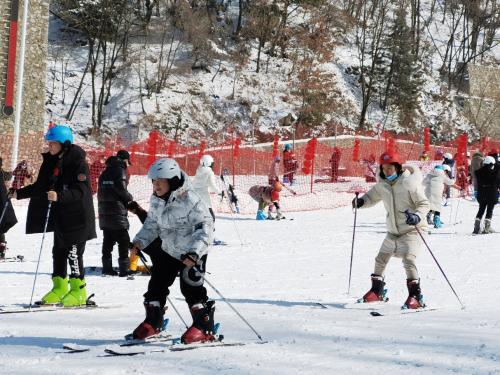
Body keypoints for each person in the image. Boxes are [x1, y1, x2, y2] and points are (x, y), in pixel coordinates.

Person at [129, 158, 215, 343]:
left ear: (173, 180)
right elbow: (152, 223)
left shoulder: (191, 199)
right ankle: (153, 322)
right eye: (153, 181)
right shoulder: (157, 200)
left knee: (190, 287)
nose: (156, 185)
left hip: (191, 253)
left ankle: (203, 326)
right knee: (156, 285)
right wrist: (139, 242)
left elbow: (205, 226)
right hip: (169, 250)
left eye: (160, 181)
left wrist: (195, 252)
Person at [10, 125, 96, 306]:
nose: (49, 147)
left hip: (78, 216)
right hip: (61, 216)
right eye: (49, 143)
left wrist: (60, 195)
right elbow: (41, 186)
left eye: (53, 143)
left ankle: (78, 290)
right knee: (58, 251)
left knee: (73, 253)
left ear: (64, 144)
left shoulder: (77, 161)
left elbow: (82, 191)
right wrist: (18, 193)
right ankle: (60, 287)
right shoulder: (51, 161)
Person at [352, 151, 430, 309]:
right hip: (393, 232)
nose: (387, 171)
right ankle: (377, 291)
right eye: (384, 168)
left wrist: (416, 216)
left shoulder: (409, 183)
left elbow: (424, 204)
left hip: (413, 230)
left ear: (398, 167)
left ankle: (416, 296)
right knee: (380, 259)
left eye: (390, 168)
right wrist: (361, 202)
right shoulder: (382, 184)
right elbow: (371, 197)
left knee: (409, 259)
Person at [97, 155, 133, 276]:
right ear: (124, 160)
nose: (128, 165)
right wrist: (129, 198)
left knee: (108, 240)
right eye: (128, 162)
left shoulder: (104, 173)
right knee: (124, 240)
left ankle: (106, 268)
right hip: (117, 213)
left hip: (104, 214)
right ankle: (124, 269)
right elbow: (121, 190)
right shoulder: (120, 170)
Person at [473, 156, 500, 234]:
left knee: (481, 209)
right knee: (489, 210)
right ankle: (487, 228)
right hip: (491, 194)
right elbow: (497, 183)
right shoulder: (495, 173)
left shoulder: (478, 172)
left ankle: (476, 227)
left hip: (481, 194)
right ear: (491, 164)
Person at [0, 162, 17, 260]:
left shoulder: (1, 173)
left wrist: (11, 173)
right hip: (3, 204)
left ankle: (1, 250)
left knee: (1, 226)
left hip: (2, 204)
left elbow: (8, 176)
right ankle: (1, 249)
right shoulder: (1, 172)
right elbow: (8, 176)